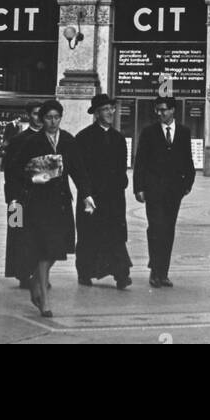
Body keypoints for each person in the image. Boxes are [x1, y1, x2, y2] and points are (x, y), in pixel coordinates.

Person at [9, 98, 92, 317]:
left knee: (58, 248)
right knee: (45, 250)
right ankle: (44, 300)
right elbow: (17, 170)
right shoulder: (32, 141)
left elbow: (79, 170)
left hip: (61, 202)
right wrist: (36, 175)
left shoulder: (68, 140)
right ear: (41, 119)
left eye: (56, 117)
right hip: (38, 202)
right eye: (48, 117)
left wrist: (86, 194)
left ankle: (36, 280)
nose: (53, 122)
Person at [133, 95, 195, 288]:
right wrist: (139, 188)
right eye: (158, 110)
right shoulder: (149, 132)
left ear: (173, 110)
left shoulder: (184, 132)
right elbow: (140, 161)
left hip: (174, 192)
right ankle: (155, 270)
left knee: (168, 229)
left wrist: (187, 184)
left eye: (164, 109)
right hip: (153, 190)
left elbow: (188, 160)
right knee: (155, 227)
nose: (160, 113)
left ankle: (164, 272)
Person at [74, 93, 132, 289]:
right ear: (97, 113)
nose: (110, 113)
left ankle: (121, 274)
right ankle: (85, 273)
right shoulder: (84, 137)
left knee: (115, 236)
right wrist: (86, 193)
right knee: (88, 235)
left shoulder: (118, 138)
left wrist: (121, 183)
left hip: (114, 197)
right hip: (92, 197)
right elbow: (79, 169)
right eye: (105, 110)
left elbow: (122, 167)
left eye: (111, 109)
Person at [3, 103, 43, 288]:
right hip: (17, 197)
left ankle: (38, 274)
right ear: (28, 115)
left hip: (39, 197)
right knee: (17, 232)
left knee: (37, 234)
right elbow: (9, 170)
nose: (39, 117)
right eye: (35, 114)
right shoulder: (18, 139)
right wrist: (11, 197)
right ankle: (21, 273)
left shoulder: (47, 139)